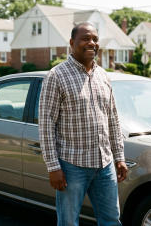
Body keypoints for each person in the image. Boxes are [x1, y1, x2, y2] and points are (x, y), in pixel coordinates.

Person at [38, 22, 127, 226]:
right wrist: (53, 166)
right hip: (72, 166)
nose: (91, 43)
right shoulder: (56, 76)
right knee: (69, 222)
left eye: (95, 39)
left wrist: (119, 156)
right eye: (85, 38)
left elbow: (112, 118)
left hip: (104, 166)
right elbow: (46, 125)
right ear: (72, 43)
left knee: (112, 221)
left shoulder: (103, 75)